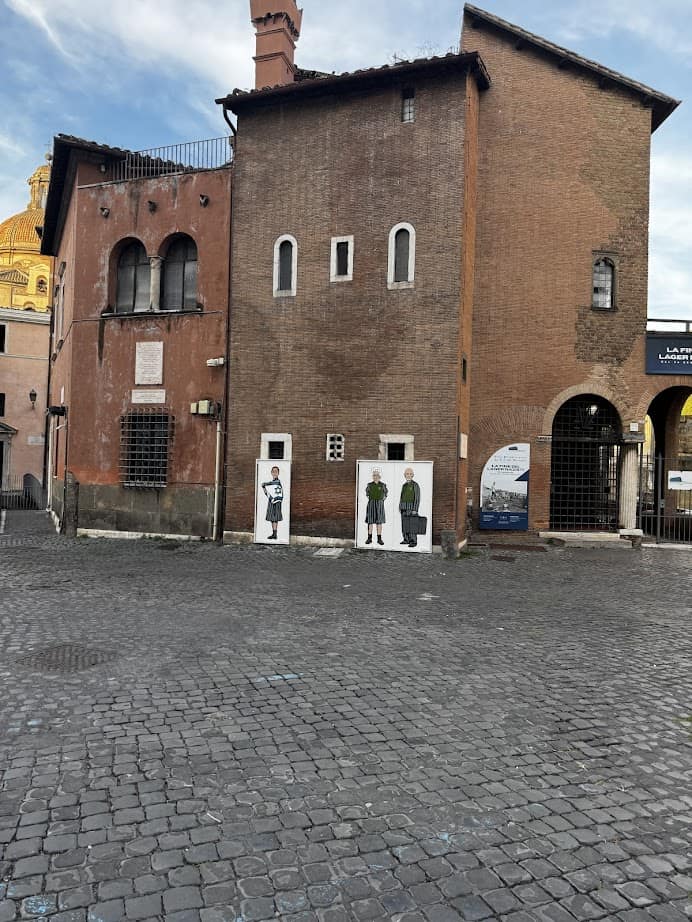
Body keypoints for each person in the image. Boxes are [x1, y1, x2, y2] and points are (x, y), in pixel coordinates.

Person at [399, 467, 421, 548]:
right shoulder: (404, 485)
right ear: (404, 475)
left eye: (410, 474)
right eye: (407, 474)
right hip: (403, 508)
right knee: (405, 525)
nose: (408, 475)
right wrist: (400, 507)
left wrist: (415, 509)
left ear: (412, 475)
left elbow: (417, 498)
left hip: (411, 509)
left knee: (412, 525)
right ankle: (406, 539)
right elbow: (401, 497)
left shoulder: (415, 485)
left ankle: (413, 541)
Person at [364, 468, 387, 545]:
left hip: (379, 505)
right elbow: (367, 494)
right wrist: (372, 500)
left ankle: (379, 539)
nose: (375, 477)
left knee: (379, 522)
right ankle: (369, 538)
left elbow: (385, 494)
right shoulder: (369, 485)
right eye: (374, 475)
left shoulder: (382, 485)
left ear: (379, 476)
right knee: (370, 522)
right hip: (371, 504)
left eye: (377, 475)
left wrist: (381, 500)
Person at [261, 466, 283, 540]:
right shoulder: (272, 484)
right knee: (272, 518)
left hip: (276, 502)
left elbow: (271, 483)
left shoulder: (277, 482)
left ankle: (275, 534)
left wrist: (265, 484)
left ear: (278, 473)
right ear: (271, 473)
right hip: (272, 501)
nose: (274, 473)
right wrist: (264, 488)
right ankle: (274, 534)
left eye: (276, 471)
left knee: (275, 517)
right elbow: (268, 493)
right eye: (273, 471)